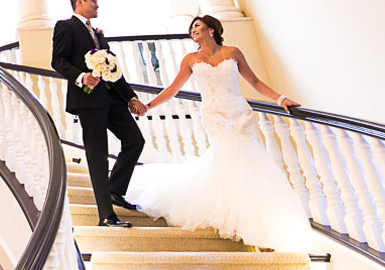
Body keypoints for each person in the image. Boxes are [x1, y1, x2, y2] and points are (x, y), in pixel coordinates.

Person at [126, 15, 311, 251]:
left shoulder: (233, 52)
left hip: (240, 114)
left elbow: (254, 81)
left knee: (250, 163)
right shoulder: (190, 60)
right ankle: (236, 219)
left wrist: (280, 98)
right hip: (214, 116)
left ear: (211, 30)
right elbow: (173, 89)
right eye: (192, 28)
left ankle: (253, 221)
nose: (193, 30)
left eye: (198, 26)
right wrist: (149, 106)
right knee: (230, 160)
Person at [52, 0, 148, 227]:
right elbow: (58, 61)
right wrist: (81, 76)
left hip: (112, 99)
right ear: (79, 2)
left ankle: (115, 189)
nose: (97, 5)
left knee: (135, 140)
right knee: (97, 154)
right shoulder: (66, 26)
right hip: (87, 100)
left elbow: (114, 70)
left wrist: (130, 98)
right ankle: (106, 215)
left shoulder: (99, 34)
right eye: (93, 0)